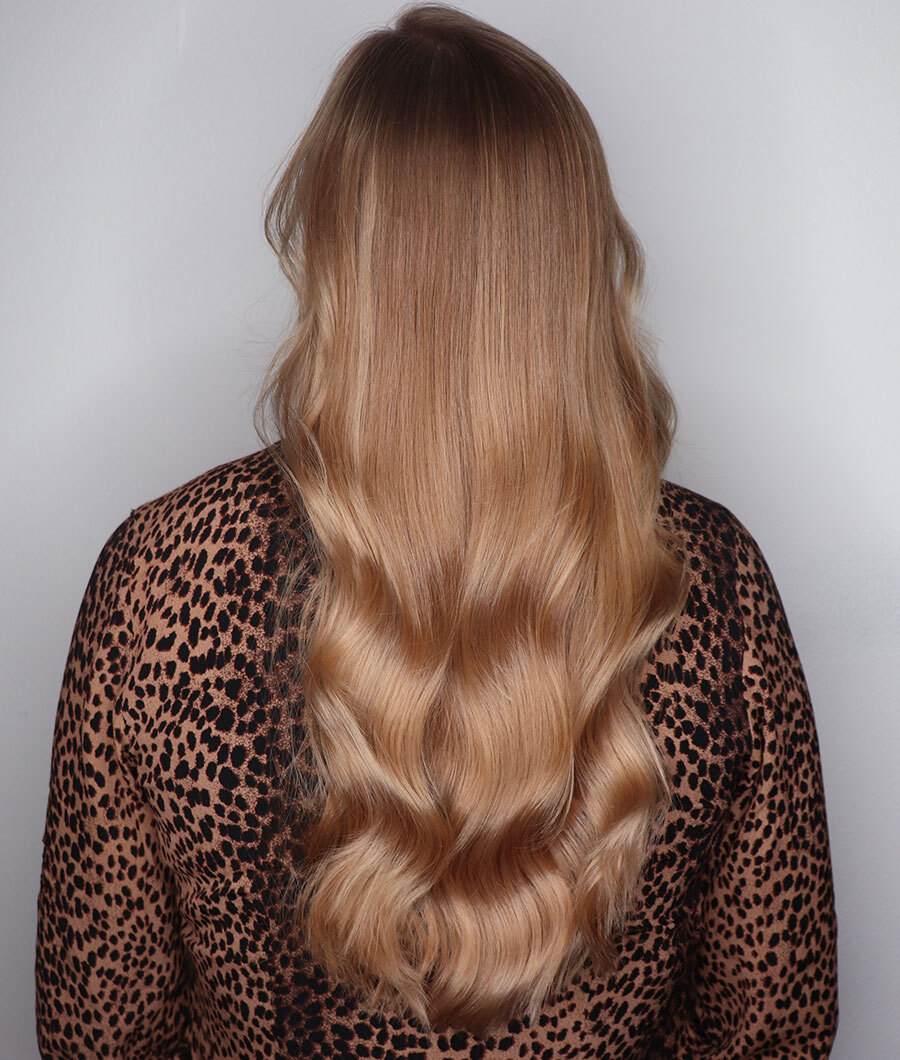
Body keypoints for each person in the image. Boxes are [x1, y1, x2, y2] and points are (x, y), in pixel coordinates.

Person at [34, 3, 839, 1057]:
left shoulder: (159, 577)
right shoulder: (704, 583)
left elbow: (99, 1030)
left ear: (337, 251)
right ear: (574, 259)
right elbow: (775, 1027)